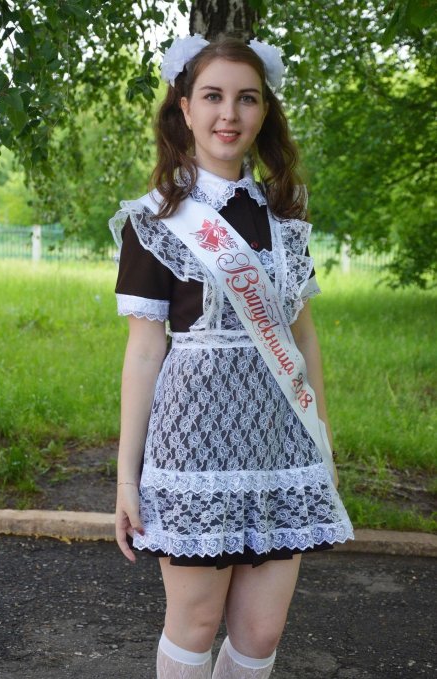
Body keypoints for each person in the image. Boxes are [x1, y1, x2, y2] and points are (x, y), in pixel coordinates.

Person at [109, 34, 354, 679]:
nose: (229, 114)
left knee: (261, 630)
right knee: (194, 622)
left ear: (264, 111)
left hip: (281, 441)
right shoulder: (155, 220)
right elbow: (144, 353)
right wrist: (127, 479)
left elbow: (302, 337)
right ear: (185, 108)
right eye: (213, 96)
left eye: (247, 99)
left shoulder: (285, 216)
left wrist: (322, 440)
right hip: (194, 445)